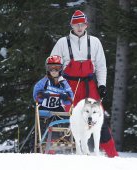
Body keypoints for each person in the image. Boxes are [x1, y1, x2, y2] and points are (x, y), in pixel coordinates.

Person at [50, 10, 118, 157]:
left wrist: (102, 85)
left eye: (82, 24)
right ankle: (50, 152)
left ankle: (112, 154)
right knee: (61, 116)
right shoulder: (62, 42)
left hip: (89, 86)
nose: (79, 28)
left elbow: (101, 66)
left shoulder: (95, 42)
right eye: (76, 25)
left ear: (86, 25)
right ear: (71, 26)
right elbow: (52, 64)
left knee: (99, 117)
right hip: (69, 86)